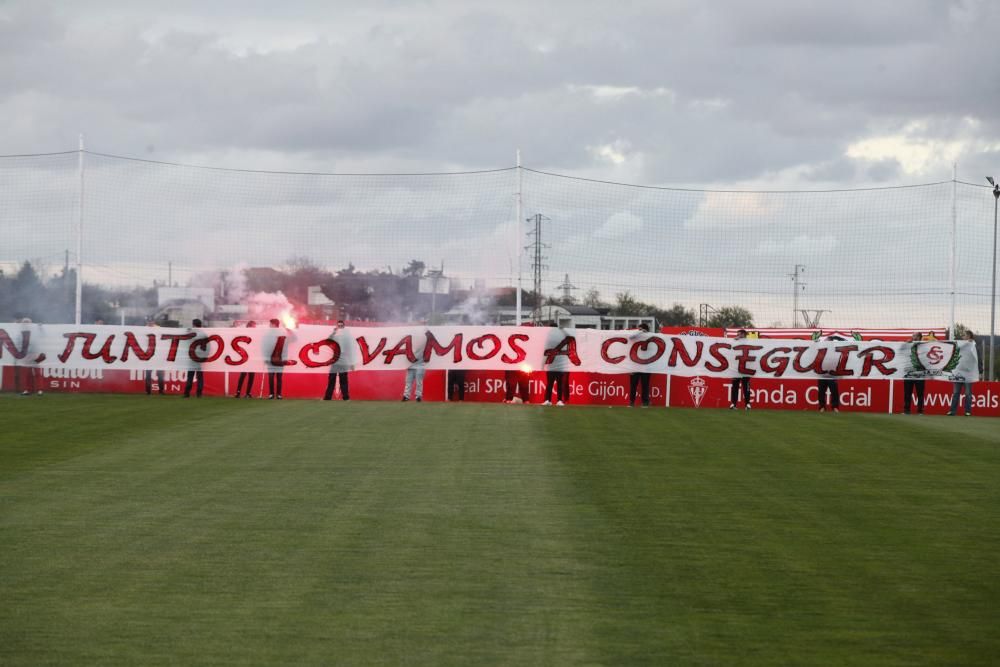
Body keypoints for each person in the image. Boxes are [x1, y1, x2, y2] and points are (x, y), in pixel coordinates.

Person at [949, 330, 980, 416]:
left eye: (964, 335)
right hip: (958, 372)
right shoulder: (959, 344)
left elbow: (978, 357)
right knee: (955, 393)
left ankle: (967, 411)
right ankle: (952, 411)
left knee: (968, 393)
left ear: (969, 336)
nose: (962, 337)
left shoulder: (974, 345)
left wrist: (980, 370)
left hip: (969, 373)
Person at [542, 323, 571, 406]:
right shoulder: (548, 338)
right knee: (550, 383)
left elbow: (570, 338)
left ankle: (559, 400)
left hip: (560, 364)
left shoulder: (561, 337)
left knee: (559, 384)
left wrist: (563, 330)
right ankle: (548, 400)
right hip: (551, 364)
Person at [817, 334, 846, 413]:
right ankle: (822, 407)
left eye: (828, 341)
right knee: (821, 391)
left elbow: (845, 342)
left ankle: (835, 407)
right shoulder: (821, 349)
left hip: (832, 374)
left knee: (834, 391)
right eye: (825, 341)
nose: (826, 342)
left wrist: (835, 337)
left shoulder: (835, 350)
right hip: (822, 374)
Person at [323, 320, 351, 401]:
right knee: (331, 379)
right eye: (339, 325)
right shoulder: (335, 336)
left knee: (343, 379)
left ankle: (346, 397)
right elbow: (327, 340)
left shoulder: (346, 336)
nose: (340, 327)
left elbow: (350, 348)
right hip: (335, 359)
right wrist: (334, 332)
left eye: (341, 325)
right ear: (337, 326)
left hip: (343, 360)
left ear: (343, 326)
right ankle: (327, 397)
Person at [16, 318, 42, 396]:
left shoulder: (35, 331)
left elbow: (42, 335)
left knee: (37, 372)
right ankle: (27, 390)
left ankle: (39, 390)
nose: (26, 324)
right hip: (26, 355)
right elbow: (18, 342)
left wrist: (40, 327)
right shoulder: (20, 333)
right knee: (27, 373)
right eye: (25, 323)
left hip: (35, 354)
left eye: (27, 322)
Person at [628, 323, 652, 407]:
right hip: (635, 365)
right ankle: (631, 402)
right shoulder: (635, 337)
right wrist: (640, 332)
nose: (638, 331)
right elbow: (630, 337)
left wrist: (645, 332)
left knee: (645, 385)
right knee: (633, 385)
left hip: (646, 366)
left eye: (640, 329)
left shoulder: (650, 337)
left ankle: (645, 402)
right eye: (638, 330)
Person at [903, 331, 926, 415]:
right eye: (913, 335)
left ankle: (920, 411)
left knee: (920, 394)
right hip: (909, 373)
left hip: (920, 374)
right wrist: (906, 344)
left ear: (920, 337)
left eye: (915, 336)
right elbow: (900, 350)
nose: (913, 337)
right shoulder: (908, 344)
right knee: (907, 393)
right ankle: (906, 410)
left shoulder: (923, 345)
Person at [729, 329, 751, 410]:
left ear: (744, 335)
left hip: (746, 368)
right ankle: (733, 404)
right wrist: (734, 341)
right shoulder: (734, 342)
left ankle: (747, 404)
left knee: (746, 387)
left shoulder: (749, 342)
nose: (739, 336)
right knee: (735, 387)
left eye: (741, 334)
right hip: (736, 369)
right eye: (738, 334)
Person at [402, 328, 426, 402]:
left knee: (419, 382)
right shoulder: (409, 343)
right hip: (411, 365)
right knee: (408, 381)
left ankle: (418, 396)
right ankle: (406, 396)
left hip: (421, 365)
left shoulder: (424, 342)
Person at [183, 318, 205, 398]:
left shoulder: (191, 332)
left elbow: (185, 341)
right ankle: (199, 394)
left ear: (193, 324)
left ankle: (187, 393)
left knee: (190, 376)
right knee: (199, 377)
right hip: (199, 358)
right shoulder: (203, 333)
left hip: (192, 357)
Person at [144, 319, 165, 395]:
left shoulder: (159, 328)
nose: (150, 322)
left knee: (160, 374)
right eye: (149, 321)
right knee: (148, 374)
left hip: (157, 354)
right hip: (148, 354)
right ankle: (148, 391)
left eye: (151, 321)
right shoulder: (144, 329)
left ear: (154, 321)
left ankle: (161, 391)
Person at [267, 318, 285, 400]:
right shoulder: (268, 334)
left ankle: (279, 394)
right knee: (271, 377)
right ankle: (271, 394)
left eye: (270, 324)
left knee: (279, 377)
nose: (269, 326)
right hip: (270, 358)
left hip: (280, 358)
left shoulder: (281, 333)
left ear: (274, 325)